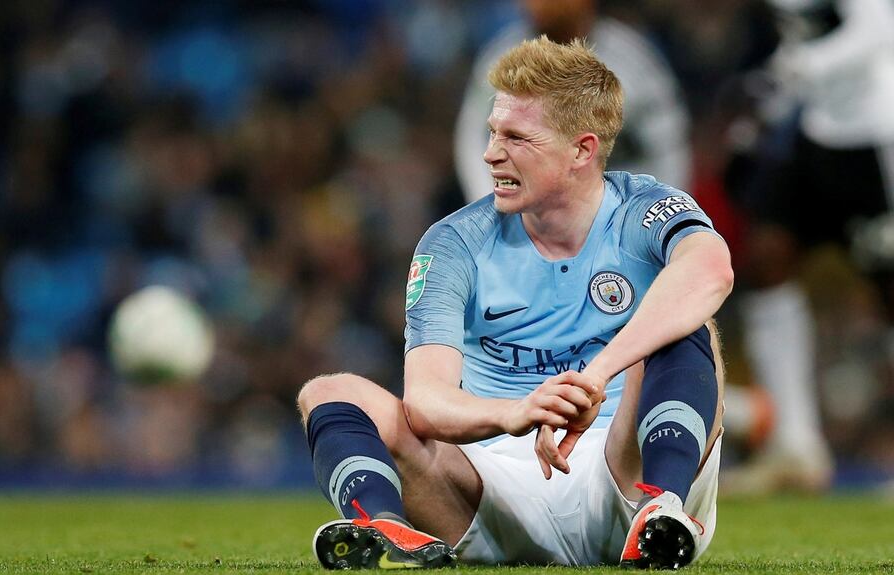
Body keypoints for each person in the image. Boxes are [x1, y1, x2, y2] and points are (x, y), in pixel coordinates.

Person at [297, 37, 733, 569]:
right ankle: (385, 529)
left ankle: (662, 508)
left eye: (516, 137)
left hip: (624, 466)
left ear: (582, 149)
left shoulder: (646, 209)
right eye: (492, 133)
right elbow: (426, 401)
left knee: (690, 326)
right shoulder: (453, 242)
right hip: (488, 491)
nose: (490, 153)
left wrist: (594, 378)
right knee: (330, 391)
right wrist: (517, 412)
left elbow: (711, 270)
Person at [723, 0, 894, 493]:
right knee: (768, 257)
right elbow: (796, 41)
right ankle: (795, 446)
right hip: (817, 131)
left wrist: (802, 67)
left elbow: (878, 31)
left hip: (875, 134)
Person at [455, 0, 691, 204]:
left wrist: (655, 214)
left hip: (618, 208)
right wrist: (493, 204)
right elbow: (473, 138)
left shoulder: (632, 57)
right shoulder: (502, 56)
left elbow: (669, 142)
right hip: (534, 212)